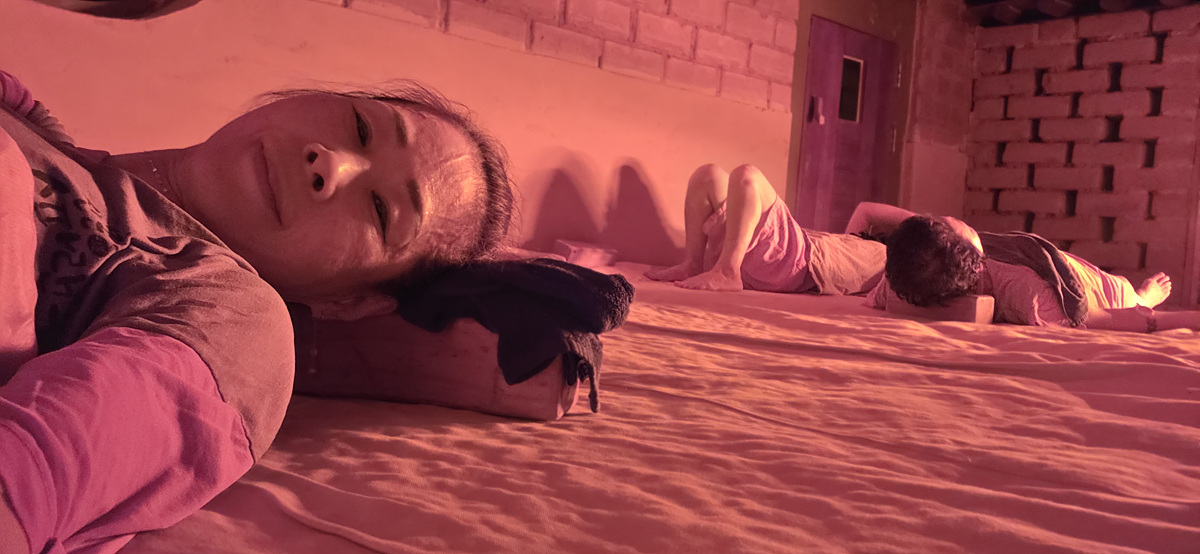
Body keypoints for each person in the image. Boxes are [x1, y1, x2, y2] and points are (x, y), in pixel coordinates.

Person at [0, 71, 513, 554]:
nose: (332, 165)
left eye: (381, 210)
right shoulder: (31, 120)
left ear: (352, 302)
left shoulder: (237, 320)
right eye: (360, 128)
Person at [880, 214, 1188, 332]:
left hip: (1058, 264)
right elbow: (1099, 318)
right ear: (976, 261)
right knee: (1129, 296)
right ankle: (1143, 294)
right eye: (951, 222)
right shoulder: (1031, 293)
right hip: (1103, 291)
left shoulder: (909, 275)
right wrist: (1157, 308)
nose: (949, 216)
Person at [644, 163, 905, 295]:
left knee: (747, 176)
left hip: (796, 261)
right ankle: (694, 263)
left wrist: (929, 223)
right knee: (707, 175)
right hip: (775, 254)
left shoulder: (887, 260)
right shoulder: (854, 241)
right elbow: (866, 211)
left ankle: (727, 271)